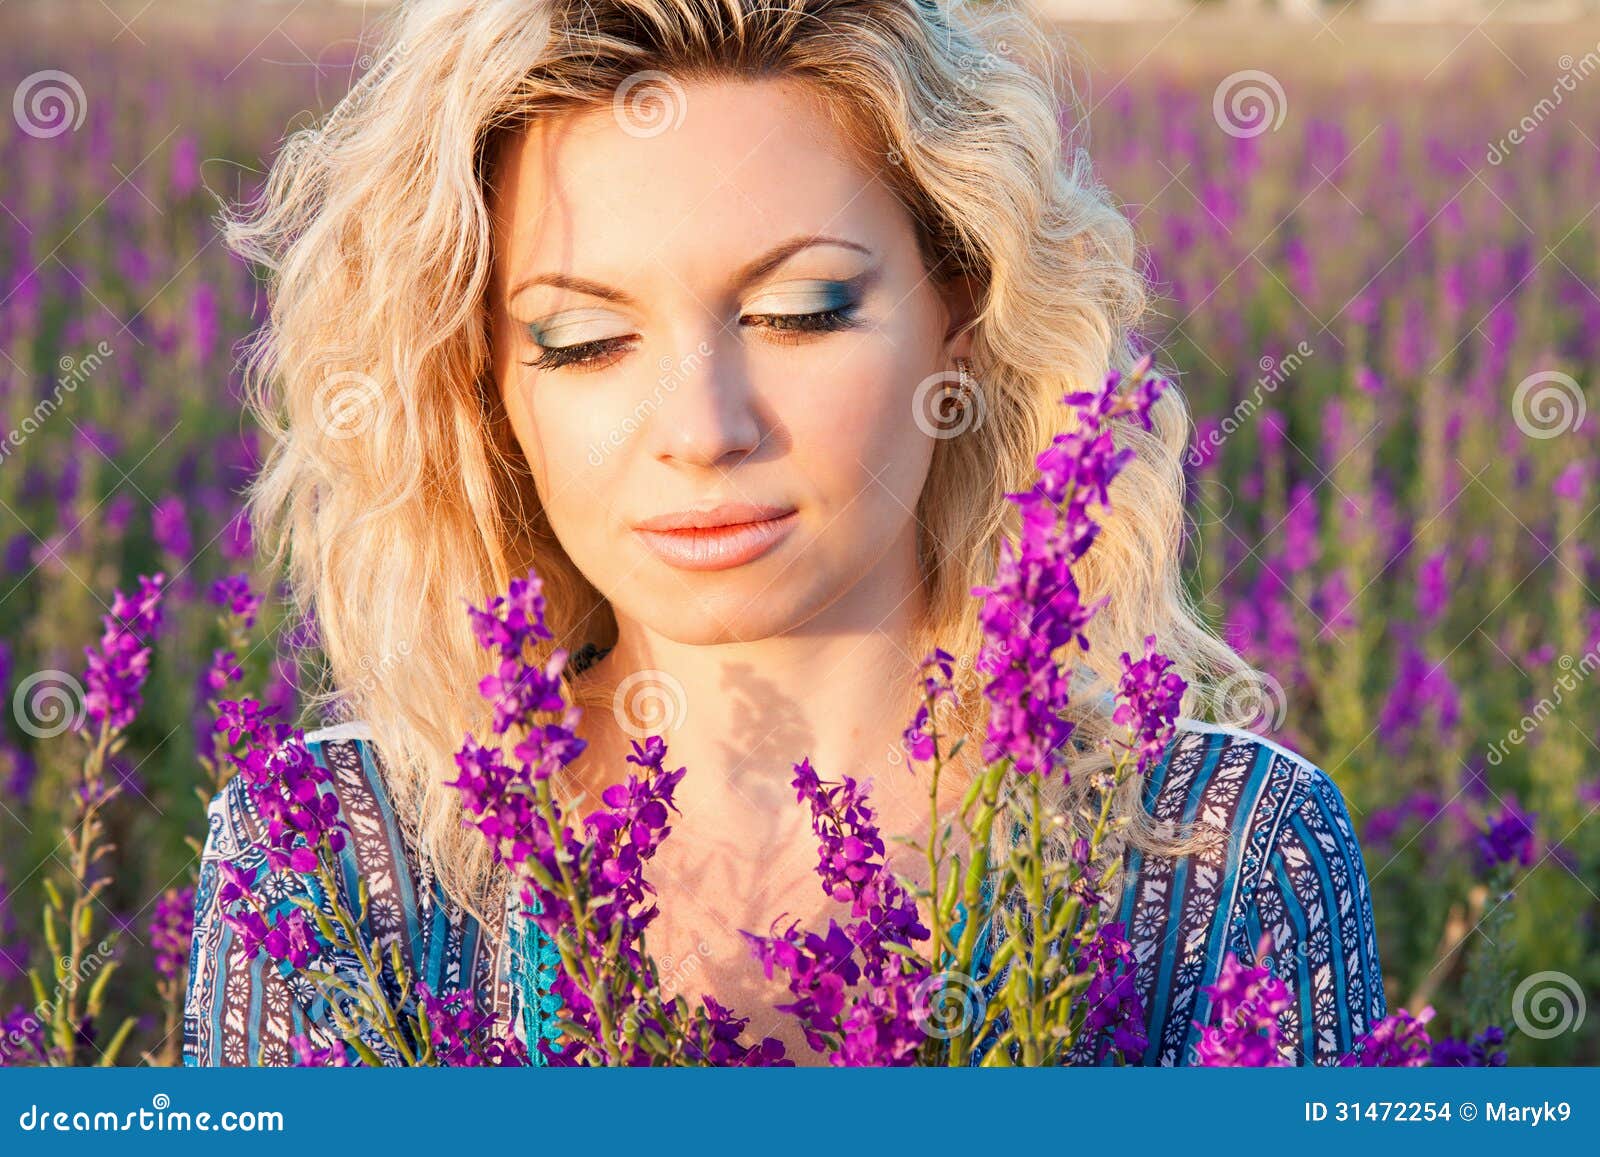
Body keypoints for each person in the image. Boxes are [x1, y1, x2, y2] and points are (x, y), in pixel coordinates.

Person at [184, 0, 1386, 1067]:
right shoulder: (330, 862)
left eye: (798, 311)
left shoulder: (1219, 854)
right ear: (486, 379)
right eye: (585, 340)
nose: (703, 429)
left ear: (960, 315)